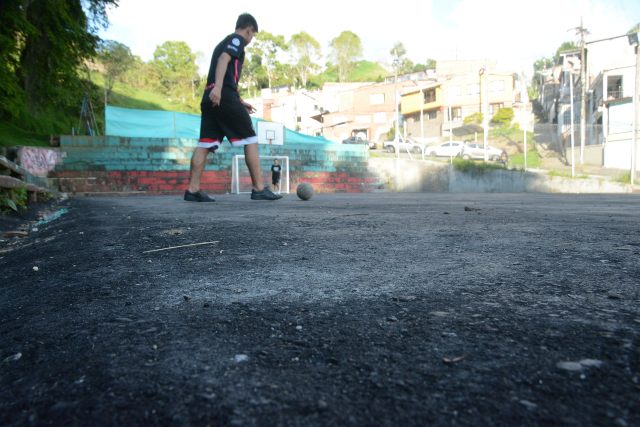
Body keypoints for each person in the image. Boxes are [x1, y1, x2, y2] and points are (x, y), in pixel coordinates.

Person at [184, 13, 282, 202]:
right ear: (249, 30)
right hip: (222, 96)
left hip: (210, 98)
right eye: (252, 35)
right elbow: (223, 60)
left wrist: (238, 100)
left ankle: (192, 190)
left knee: (205, 144)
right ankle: (259, 188)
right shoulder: (237, 40)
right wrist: (219, 88)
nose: (251, 39)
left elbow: (226, 73)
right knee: (251, 139)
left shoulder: (222, 42)